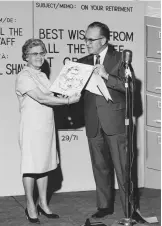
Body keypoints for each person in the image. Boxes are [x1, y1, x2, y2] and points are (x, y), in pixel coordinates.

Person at [78, 22, 143, 222]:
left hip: (115, 122)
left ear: (103, 40)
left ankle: (129, 209)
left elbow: (129, 87)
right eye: (85, 39)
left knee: (123, 168)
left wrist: (106, 76)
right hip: (93, 122)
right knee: (100, 167)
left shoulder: (120, 59)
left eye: (91, 39)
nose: (87, 43)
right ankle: (104, 206)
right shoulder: (82, 62)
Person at [15, 38, 80, 224]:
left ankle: (43, 204)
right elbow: (42, 98)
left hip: (46, 126)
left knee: (44, 165)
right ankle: (30, 206)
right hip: (31, 128)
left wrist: (69, 90)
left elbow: (52, 95)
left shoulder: (42, 75)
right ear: (26, 56)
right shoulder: (24, 76)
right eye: (34, 53)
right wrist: (68, 101)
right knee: (30, 167)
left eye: (42, 53)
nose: (39, 57)